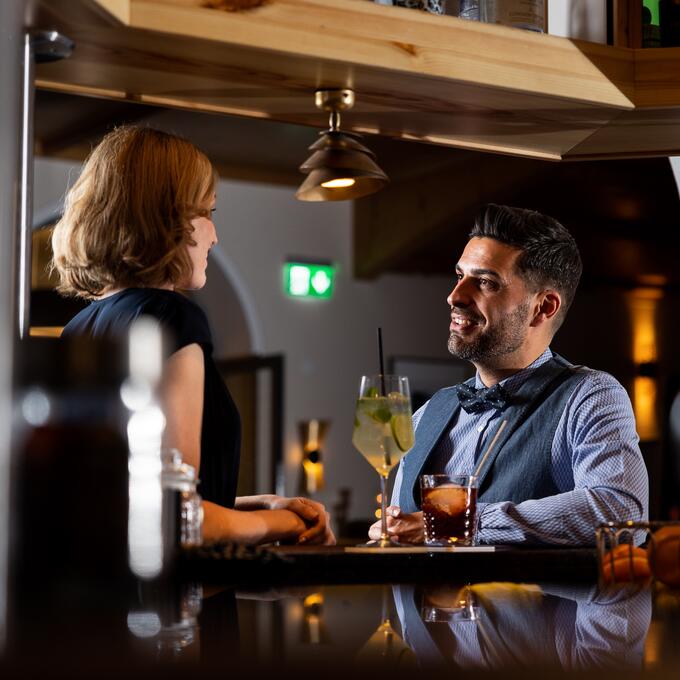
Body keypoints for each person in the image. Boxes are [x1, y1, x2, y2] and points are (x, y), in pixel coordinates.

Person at [52, 125, 334, 546]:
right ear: (167, 215)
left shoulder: (80, 329)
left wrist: (257, 505)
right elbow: (175, 517)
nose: (214, 235)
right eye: (208, 213)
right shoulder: (170, 318)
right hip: (177, 609)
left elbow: (131, 503)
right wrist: (290, 526)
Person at [369, 204, 648, 545]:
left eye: (485, 282)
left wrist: (462, 523)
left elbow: (621, 516)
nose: (455, 296)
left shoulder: (591, 396)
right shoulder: (426, 414)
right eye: (460, 276)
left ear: (543, 307)